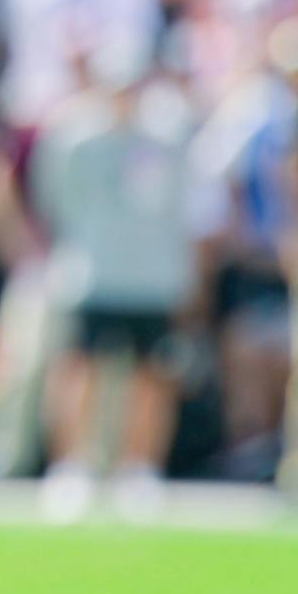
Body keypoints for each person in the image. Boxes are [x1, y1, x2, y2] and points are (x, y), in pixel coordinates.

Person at [33, 63, 213, 520]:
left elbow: (181, 202)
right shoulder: (77, 138)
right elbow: (55, 199)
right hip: (93, 274)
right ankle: (72, 466)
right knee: (81, 372)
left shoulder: (166, 137)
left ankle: (139, 468)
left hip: (150, 279)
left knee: (152, 376)